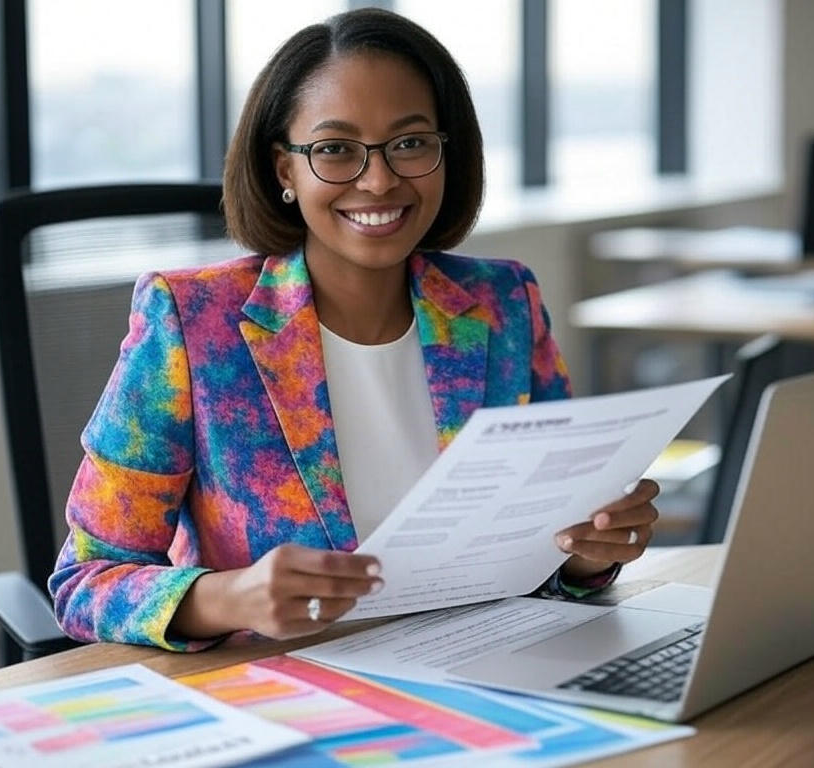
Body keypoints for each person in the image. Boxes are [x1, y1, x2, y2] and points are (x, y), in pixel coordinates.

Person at [49, 8, 659, 651]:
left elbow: (551, 552)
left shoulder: (504, 303)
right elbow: (86, 581)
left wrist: (589, 554)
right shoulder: (193, 323)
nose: (379, 179)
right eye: (335, 149)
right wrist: (230, 596)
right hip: (293, 692)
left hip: (490, 667)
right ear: (285, 170)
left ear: (446, 152)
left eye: (410, 143)